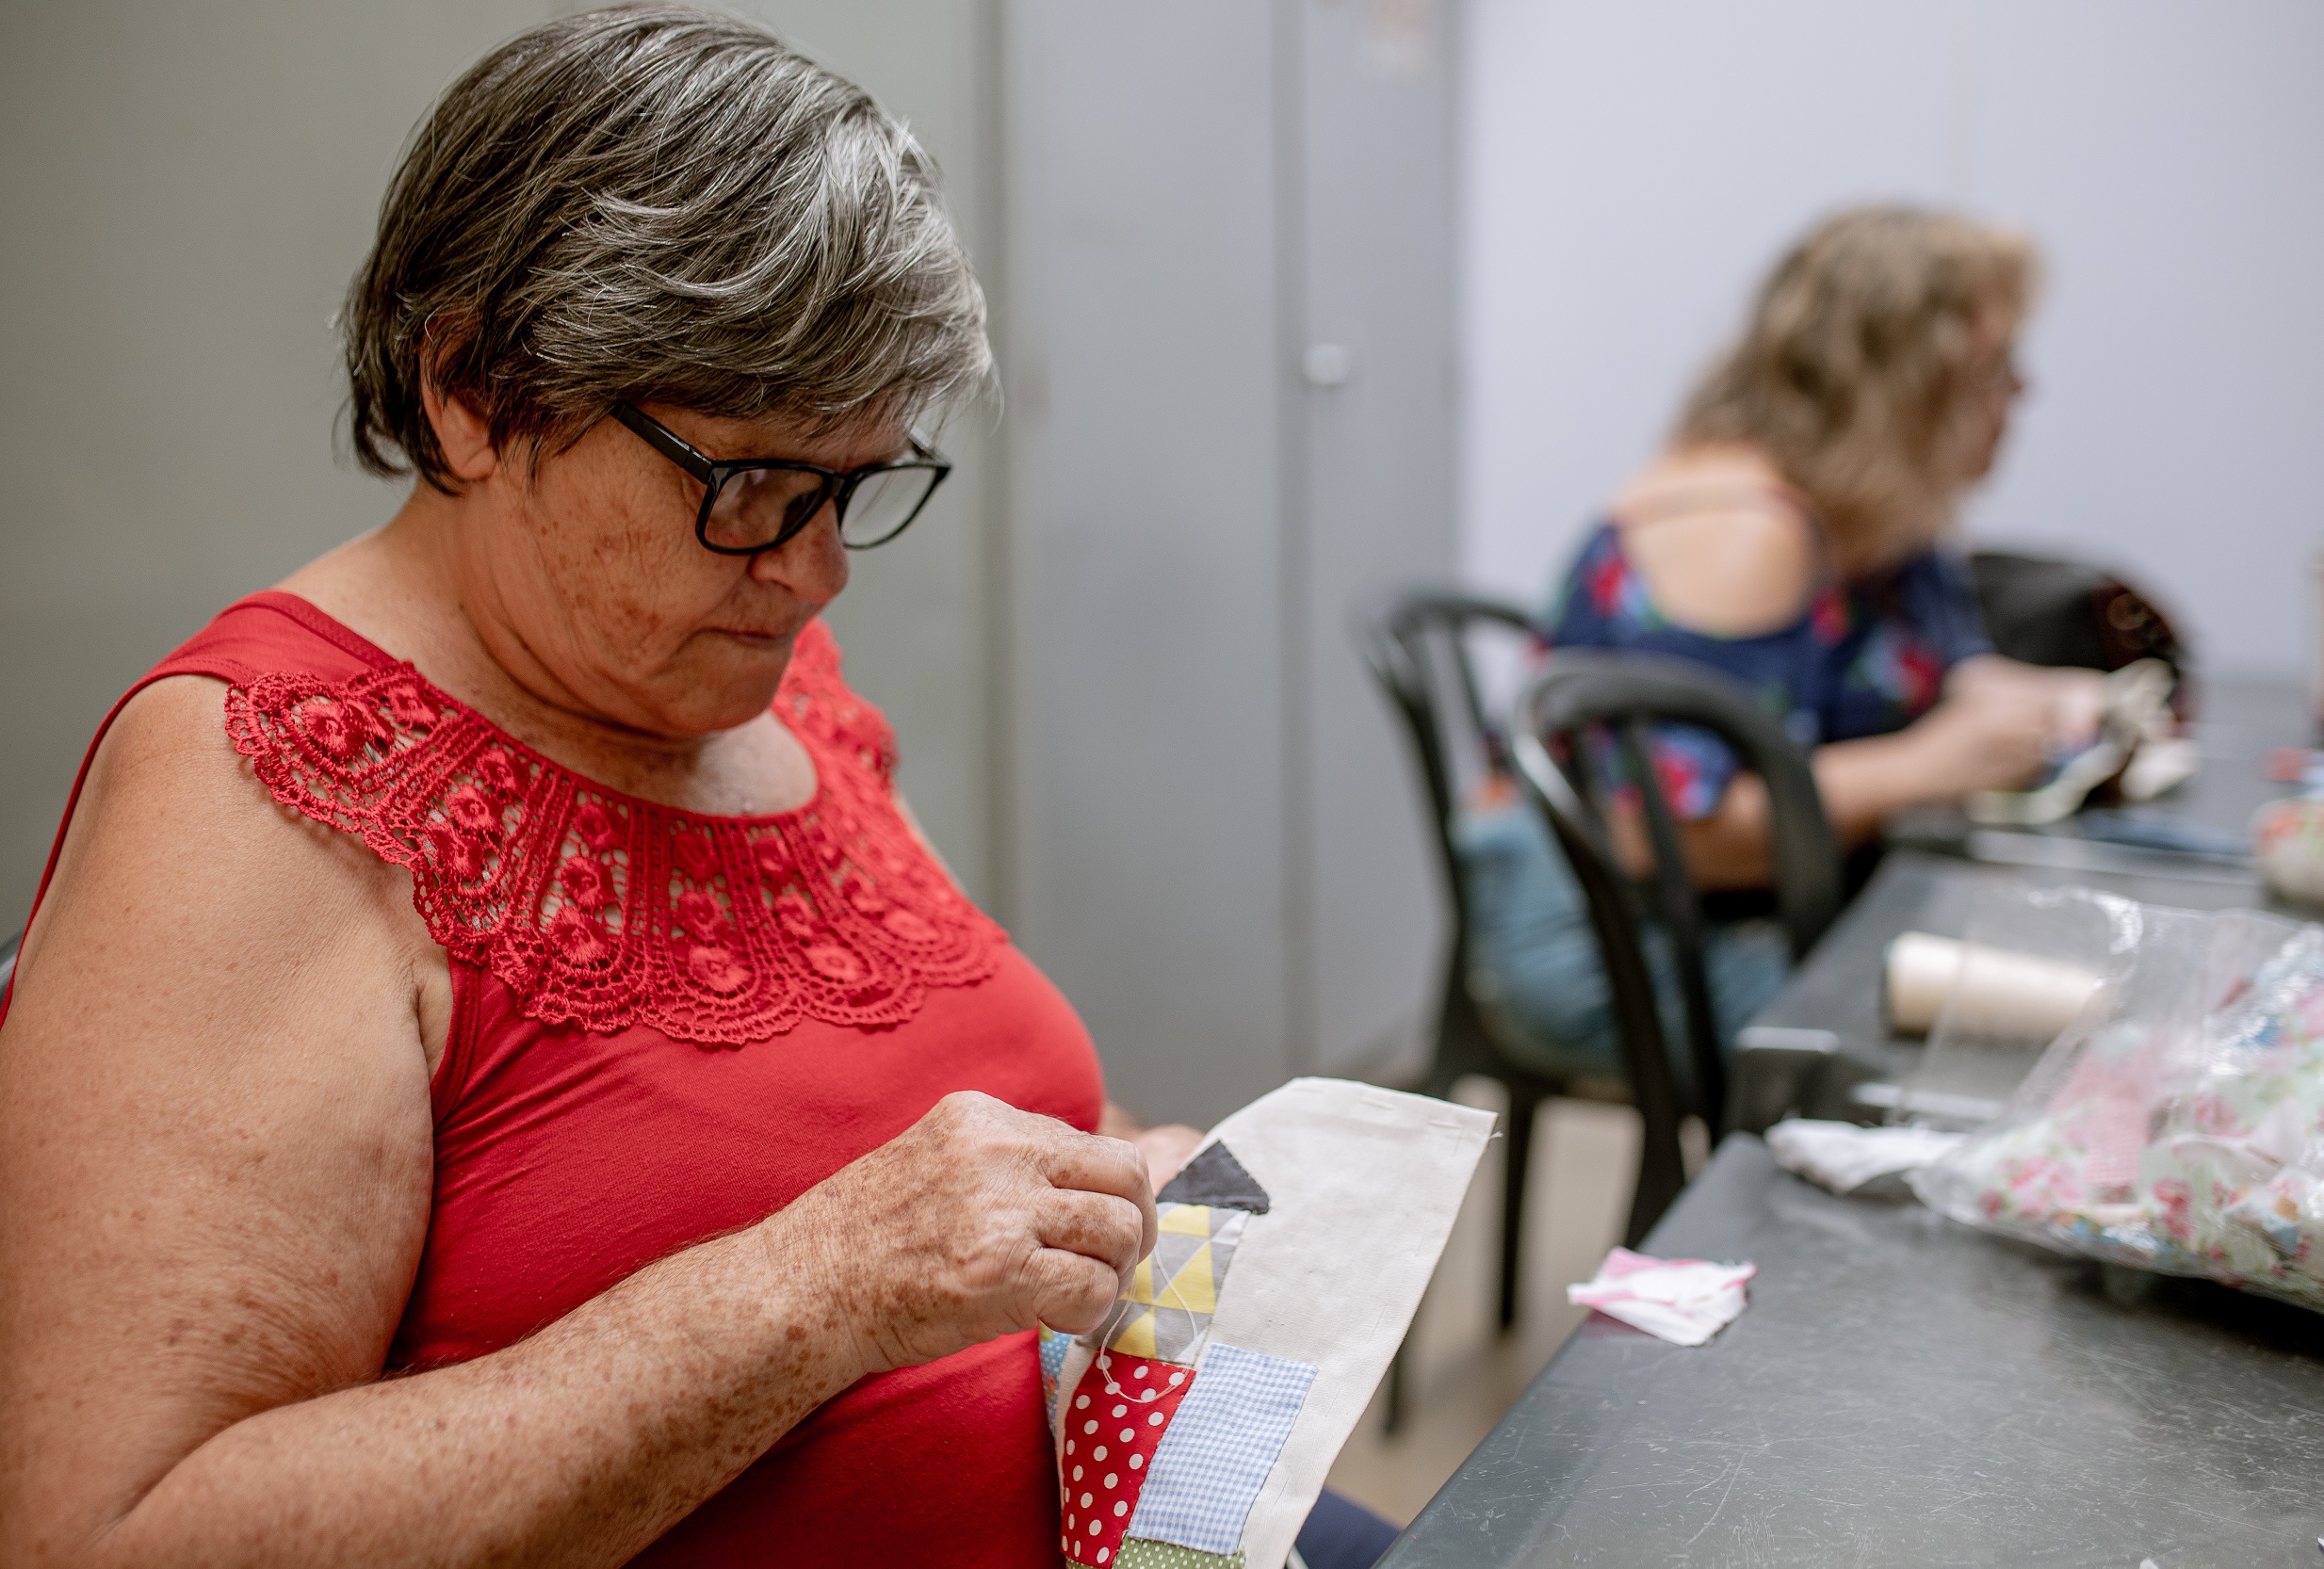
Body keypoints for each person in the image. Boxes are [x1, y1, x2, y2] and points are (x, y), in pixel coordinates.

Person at [0, 10, 1390, 1566]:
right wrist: (815, 1291)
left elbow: (932, 1081)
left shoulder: (759, 674)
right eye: (746, 485)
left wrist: (1108, 1171)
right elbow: (114, 1538)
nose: (812, 571)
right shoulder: (261, 789)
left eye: (855, 485)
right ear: (471, 392)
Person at [1461, 205, 2105, 1090]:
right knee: (1999, 1042)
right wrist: (1930, 765)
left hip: (1748, 908)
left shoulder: (1877, 512)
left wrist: (2050, 705)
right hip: (1614, 939)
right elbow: (1667, 837)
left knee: (2052, 999)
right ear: (1900, 390)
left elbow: (1948, 674)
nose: (2022, 393)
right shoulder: (1742, 534)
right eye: (1995, 369)